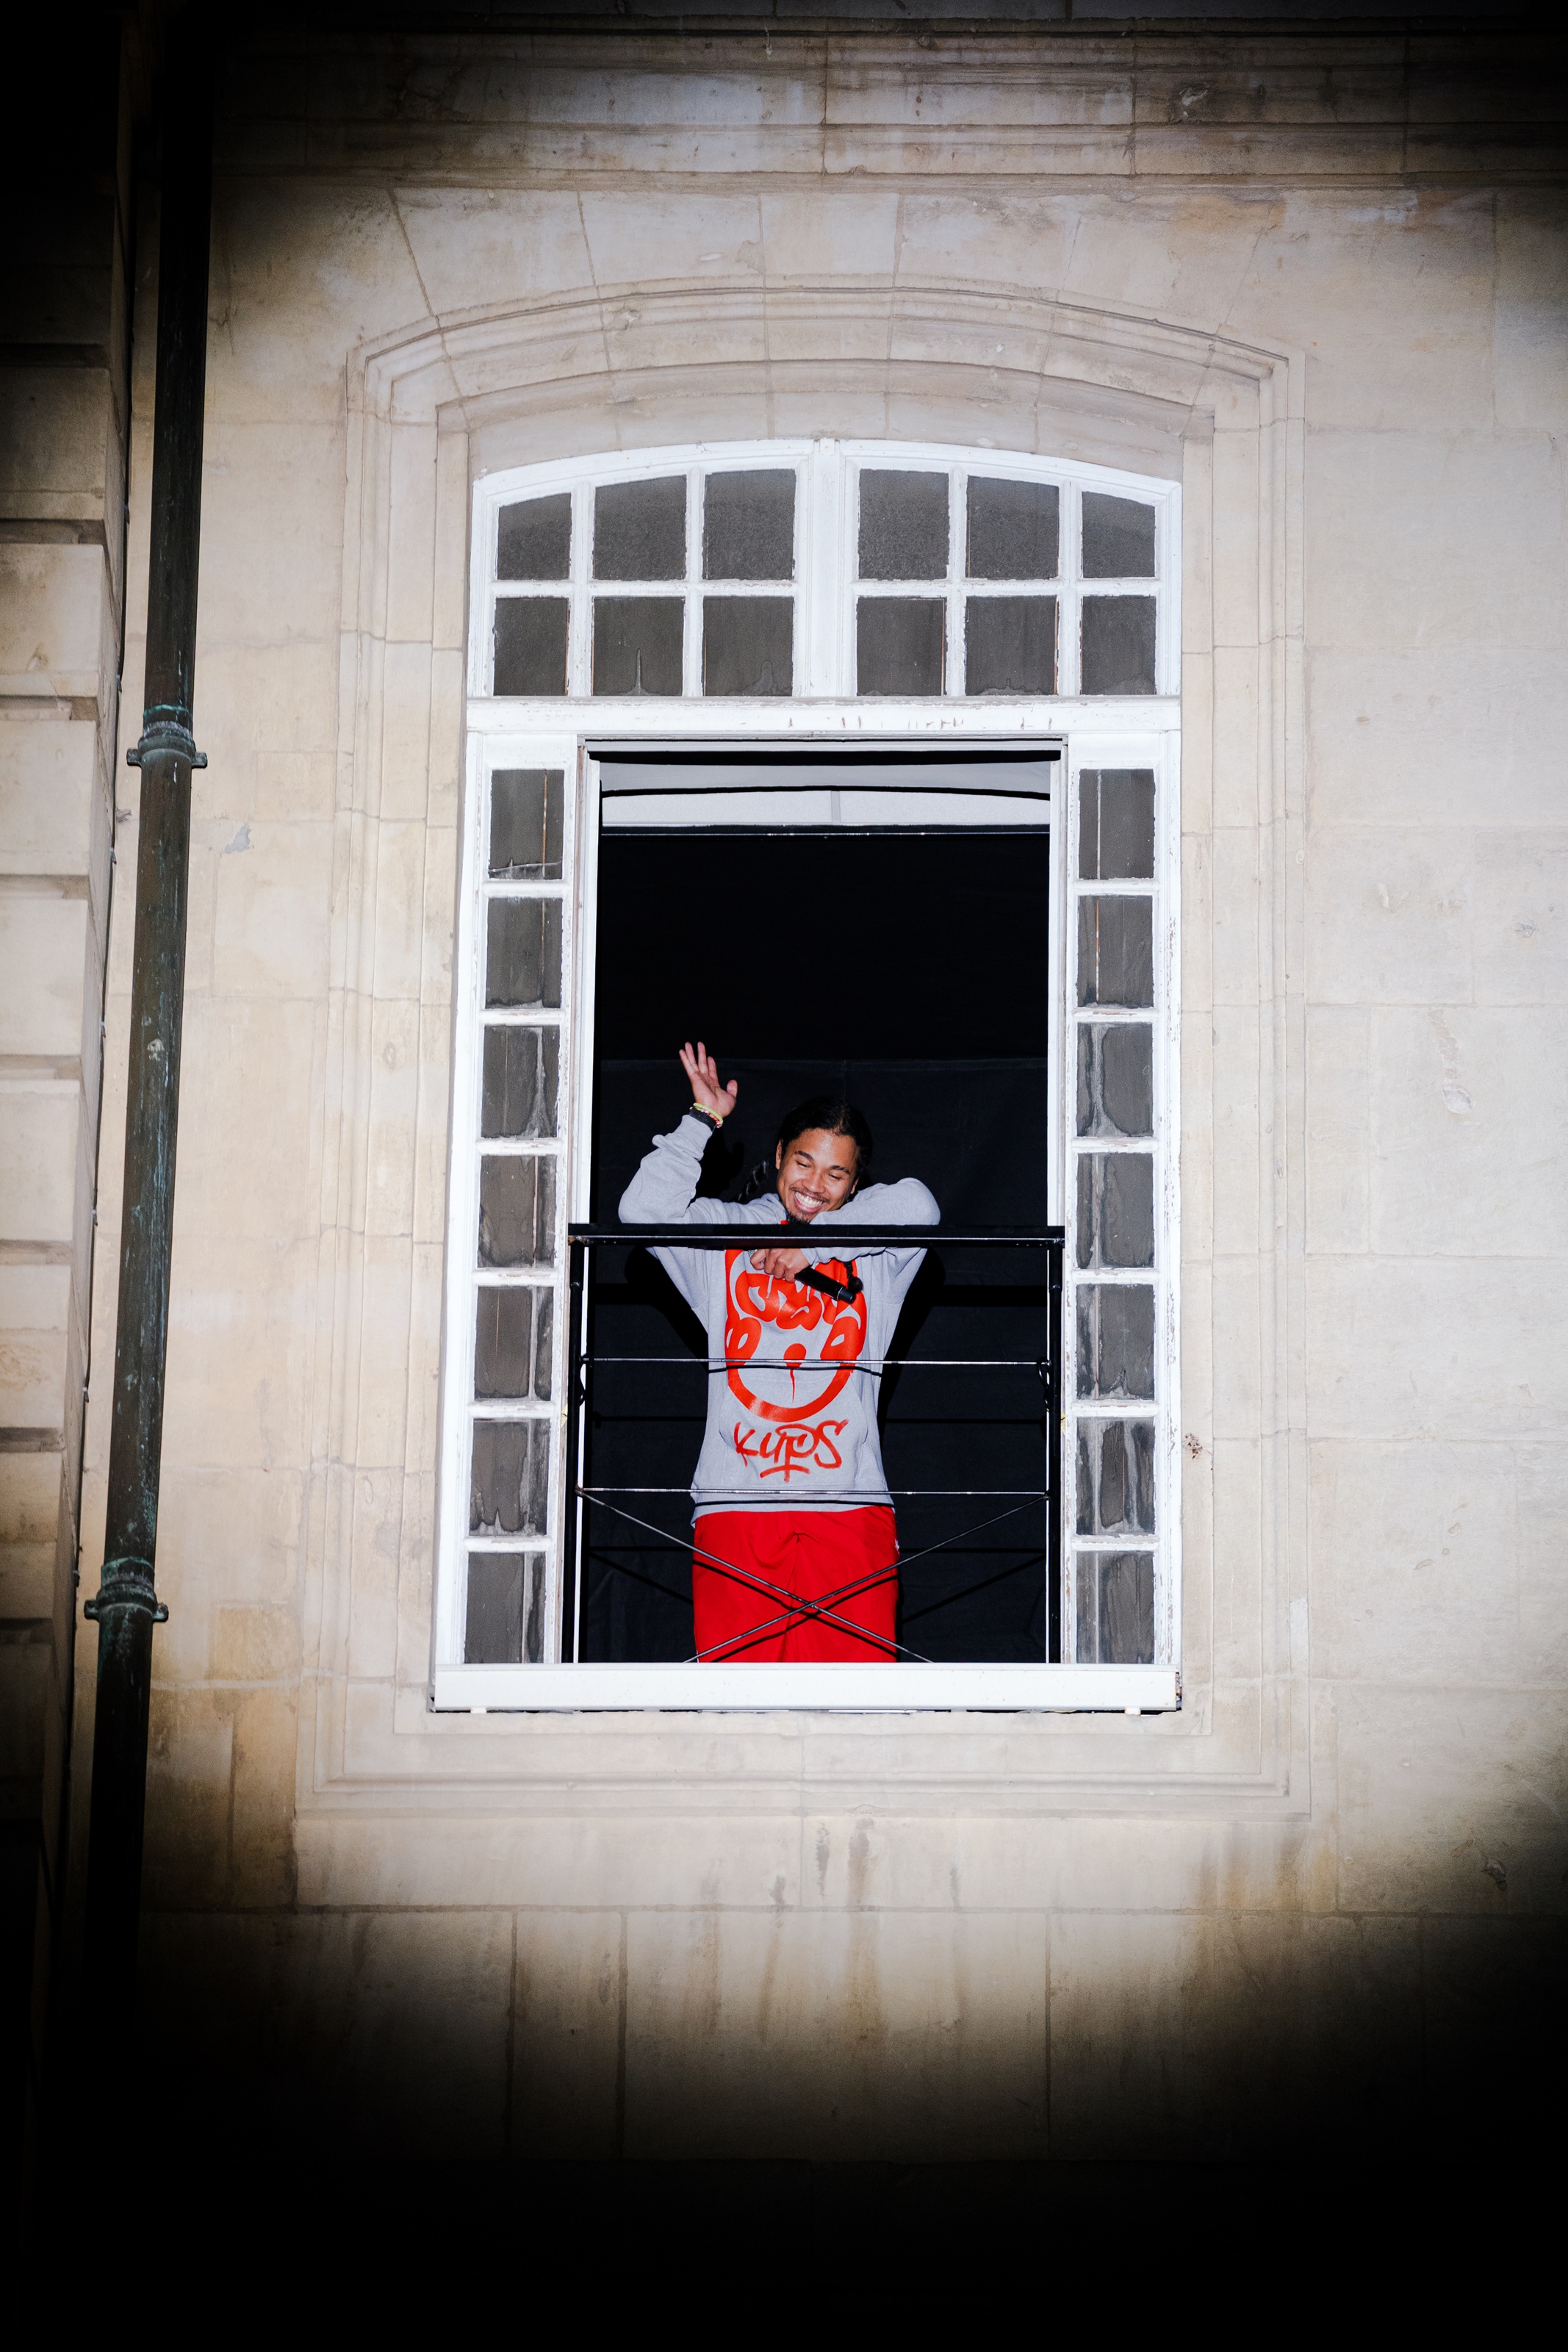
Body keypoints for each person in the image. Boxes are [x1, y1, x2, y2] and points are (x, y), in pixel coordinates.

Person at [618, 1041, 939, 1663]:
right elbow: (642, 1210)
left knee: (857, 1698)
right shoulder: (728, 1237)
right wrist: (702, 1120)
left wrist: (815, 1246)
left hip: (849, 1506)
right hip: (735, 1505)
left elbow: (920, 1204)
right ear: (779, 1156)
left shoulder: (877, 1253)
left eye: (836, 1174)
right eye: (803, 1162)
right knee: (736, 1700)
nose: (814, 1185)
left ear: (854, 1184)